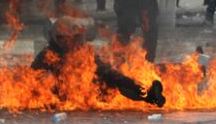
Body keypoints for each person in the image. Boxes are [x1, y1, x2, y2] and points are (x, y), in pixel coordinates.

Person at [31, 17, 166, 107]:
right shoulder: (48, 55)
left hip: (91, 93)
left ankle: (147, 94)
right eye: (63, 38)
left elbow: (105, 71)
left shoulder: (84, 52)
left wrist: (132, 84)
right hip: (65, 97)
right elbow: (31, 78)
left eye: (72, 37)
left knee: (114, 78)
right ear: (56, 38)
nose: (68, 41)